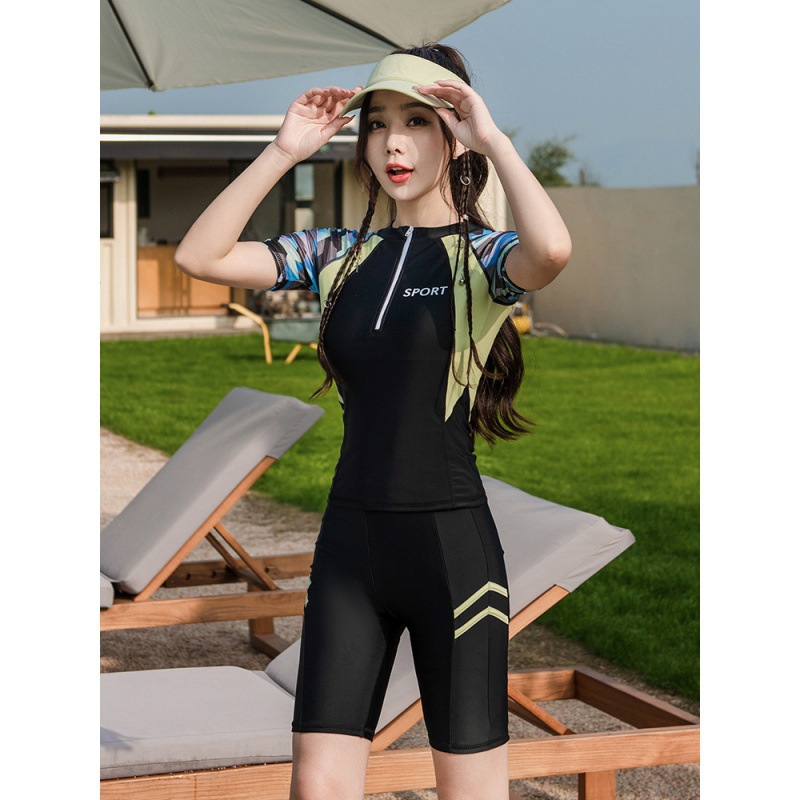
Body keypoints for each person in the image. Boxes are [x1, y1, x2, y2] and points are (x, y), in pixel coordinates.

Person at [175, 43, 571, 800]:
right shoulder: (335, 252)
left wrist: (494, 139)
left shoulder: (484, 258)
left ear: (454, 136)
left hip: (451, 555)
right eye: (379, 122)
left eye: (418, 122)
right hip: (350, 549)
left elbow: (551, 251)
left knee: (469, 789)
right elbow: (201, 256)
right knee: (316, 784)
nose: (393, 142)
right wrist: (284, 151)